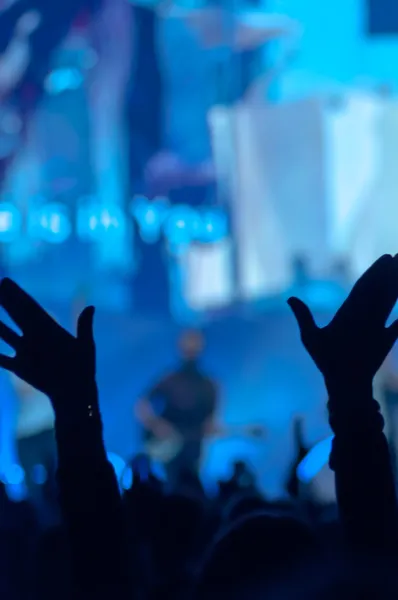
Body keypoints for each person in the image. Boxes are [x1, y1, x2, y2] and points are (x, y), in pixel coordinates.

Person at [135, 330, 218, 489]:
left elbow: (211, 422)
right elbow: (142, 406)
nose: (190, 349)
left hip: (193, 449)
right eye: (187, 344)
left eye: (194, 344)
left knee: (190, 486)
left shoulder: (209, 385)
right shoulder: (169, 379)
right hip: (168, 451)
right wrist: (158, 426)